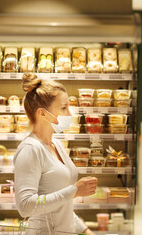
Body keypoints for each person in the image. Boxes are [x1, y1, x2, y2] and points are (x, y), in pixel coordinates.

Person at [14, 73, 97, 235]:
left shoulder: (56, 145)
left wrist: (85, 230)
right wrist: (75, 191)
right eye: (64, 108)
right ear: (42, 113)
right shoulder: (30, 149)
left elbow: (61, 207)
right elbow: (25, 206)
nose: (69, 115)